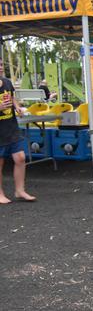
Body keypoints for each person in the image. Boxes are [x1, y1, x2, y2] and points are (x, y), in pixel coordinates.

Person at [0, 58, 36, 204]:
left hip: (11, 127)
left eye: (1, 65)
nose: (1, 68)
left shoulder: (7, 82)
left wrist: (17, 107)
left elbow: (12, 97)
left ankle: (19, 190)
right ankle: (0, 193)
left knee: (20, 157)